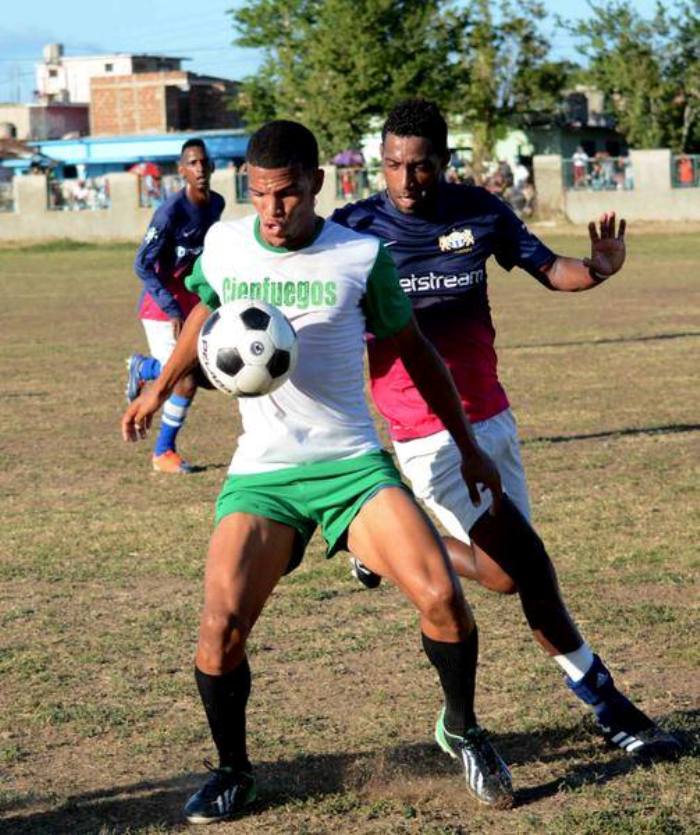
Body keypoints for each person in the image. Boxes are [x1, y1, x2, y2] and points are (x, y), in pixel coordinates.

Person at [121, 120, 514, 822]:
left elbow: (416, 351)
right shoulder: (226, 242)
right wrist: (159, 385)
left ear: (317, 185)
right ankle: (233, 770)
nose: (274, 210)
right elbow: (202, 315)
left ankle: (463, 727)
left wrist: (469, 445)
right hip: (264, 474)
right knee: (219, 626)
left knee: (442, 597)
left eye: (290, 194)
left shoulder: (360, 256)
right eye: (262, 194)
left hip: (352, 469)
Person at [332, 98, 681, 762]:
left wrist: (598, 269)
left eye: (420, 166)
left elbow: (551, 269)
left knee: (501, 576)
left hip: (492, 416)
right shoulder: (353, 230)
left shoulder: (481, 212)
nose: (406, 181)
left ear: (443, 161)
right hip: (427, 433)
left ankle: (377, 542)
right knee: (531, 568)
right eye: (392, 166)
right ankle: (615, 712)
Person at [125, 139, 225, 474]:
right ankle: (163, 452)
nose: (199, 169)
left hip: (194, 305)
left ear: (211, 167)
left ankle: (145, 368)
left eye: (203, 162)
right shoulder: (170, 213)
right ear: (181, 171)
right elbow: (142, 265)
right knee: (184, 377)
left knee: (206, 374)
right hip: (162, 308)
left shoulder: (216, 204)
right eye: (192, 164)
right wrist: (171, 308)